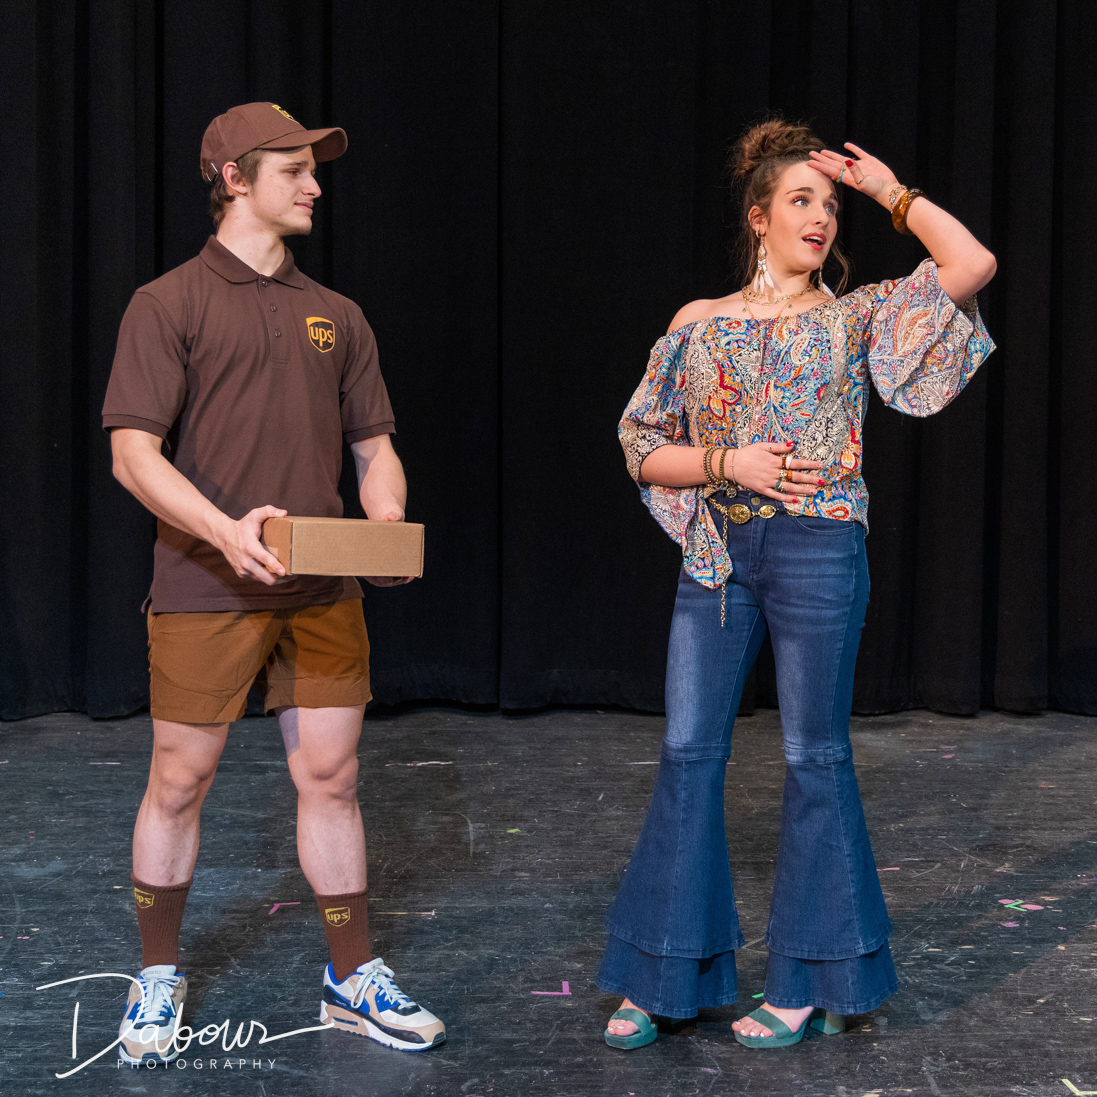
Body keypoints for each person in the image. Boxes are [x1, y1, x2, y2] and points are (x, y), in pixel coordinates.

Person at [598, 118, 996, 1050]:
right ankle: (665, 975)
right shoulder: (697, 322)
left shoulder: (854, 317)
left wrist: (887, 192)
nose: (820, 218)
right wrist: (725, 460)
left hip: (819, 547)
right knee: (687, 751)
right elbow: (641, 445)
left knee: (814, 755)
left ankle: (811, 984)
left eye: (829, 206)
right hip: (718, 557)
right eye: (801, 200)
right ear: (758, 217)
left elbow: (971, 263)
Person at [102, 102, 445, 1064]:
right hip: (206, 582)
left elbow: (373, 447)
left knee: (332, 777)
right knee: (180, 778)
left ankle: (350, 978)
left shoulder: (339, 314)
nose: (313, 186)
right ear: (232, 178)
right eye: (292, 170)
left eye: (312, 169)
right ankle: (157, 974)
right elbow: (133, 455)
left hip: (321, 587)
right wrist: (223, 531)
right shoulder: (166, 303)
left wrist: (383, 521)